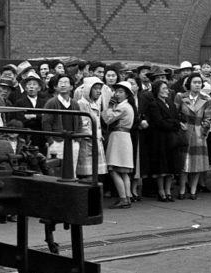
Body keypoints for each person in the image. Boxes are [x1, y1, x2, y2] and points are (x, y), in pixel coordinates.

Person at [174, 73, 211, 199]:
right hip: (184, 130)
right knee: (183, 162)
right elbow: (175, 113)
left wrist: (203, 129)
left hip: (198, 132)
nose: (197, 85)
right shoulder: (180, 96)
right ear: (189, 84)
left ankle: (193, 189)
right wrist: (180, 124)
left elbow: (209, 117)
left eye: (199, 82)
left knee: (197, 163)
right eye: (194, 82)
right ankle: (181, 189)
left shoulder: (206, 99)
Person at [102, 81, 137, 209]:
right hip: (124, 137)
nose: (117, 94)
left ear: (127, 94)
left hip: (118, 137)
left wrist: (109, 108)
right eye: (116, 91)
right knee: (124, 171)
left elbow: (107, 119)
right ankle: (127, 197)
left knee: (113, 169)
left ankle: (123, 198)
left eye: (121, 92)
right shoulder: (128, 106)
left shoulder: (122, 107)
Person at [145, 79, 179, 201]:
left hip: (171, 138)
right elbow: (159, 122)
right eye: (164, 88)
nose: (167, 91)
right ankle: (161, 191)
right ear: (157, 90)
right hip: (160, 139)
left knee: (171, 166)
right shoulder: (154, 104)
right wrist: (172, 123)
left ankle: (168, 190)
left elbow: (176, 119)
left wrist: (172, 123)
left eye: (167, 88)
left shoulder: (171, 103)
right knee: (161, 167)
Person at [42, 74, 80, 169]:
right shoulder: (51, 102)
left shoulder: (75, 103)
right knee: (55, 170)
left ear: (71, 87)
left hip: (72, 140)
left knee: (72, 169)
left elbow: (79, 121)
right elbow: (46, 122)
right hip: (57, 141)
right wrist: (50, 140)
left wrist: (78, 139)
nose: (63, 85)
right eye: (60, 83)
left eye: (66, 82)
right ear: (56, 87)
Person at [76, 77, 108, 180]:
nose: (99, 91)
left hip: (96, 140)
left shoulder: (95, 103)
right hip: (88, 142)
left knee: (96, 173)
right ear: (88, 89)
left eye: (100, 89)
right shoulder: (82, 103)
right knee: (88, 173)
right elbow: (83, 124)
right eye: (96, 88)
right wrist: (91, 135)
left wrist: (100, 135)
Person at [13, 72, 48, 150]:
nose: (31, 86)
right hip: (25, 135)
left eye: (34, 84)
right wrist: (38, 117)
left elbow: (46, 117)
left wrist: (34, 116)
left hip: (41, 135)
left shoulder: (44, 102)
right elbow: (20, 117)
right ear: (25, 88)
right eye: (29, 84)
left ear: (39, 88)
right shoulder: (20, 102)